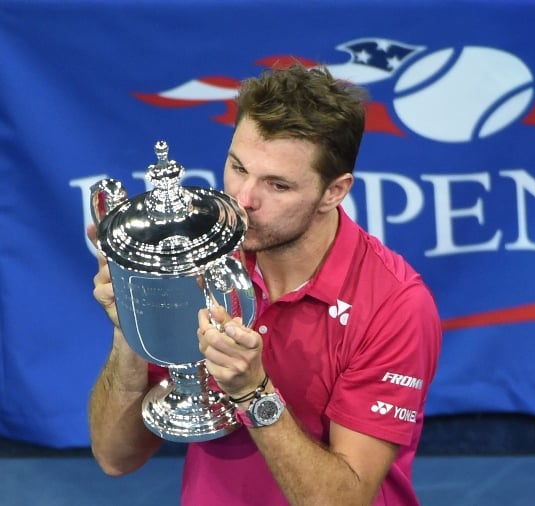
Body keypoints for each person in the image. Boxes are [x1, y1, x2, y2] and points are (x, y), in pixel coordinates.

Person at [88, 63, 442, 505]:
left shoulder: (394, 306)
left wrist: (252, 392)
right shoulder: (199, 254)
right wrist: (131, 325)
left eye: (277, 185)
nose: (243, 199)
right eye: (238, 166)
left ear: (334, 191)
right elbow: (115, 457)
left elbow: (344, 500)